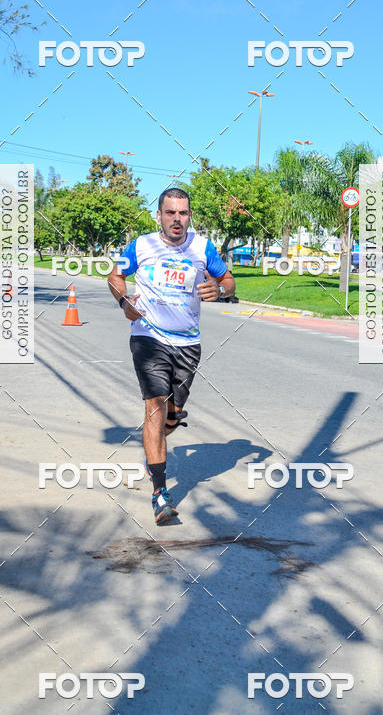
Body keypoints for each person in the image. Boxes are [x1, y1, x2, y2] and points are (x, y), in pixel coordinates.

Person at [108, 188, 235, 525]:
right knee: (155, 406)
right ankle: (160, 493)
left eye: (183, 213)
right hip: (148, 338)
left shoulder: (203, 247)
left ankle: (164, 430)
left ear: (189, 216)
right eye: (170, 213)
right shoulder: (141, 246)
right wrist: (124, 303)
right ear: (159, 216)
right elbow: (115, 276)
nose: (177, 219)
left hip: (188, 344)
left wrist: (219, 291)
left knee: (170, 417)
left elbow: (228, 281)